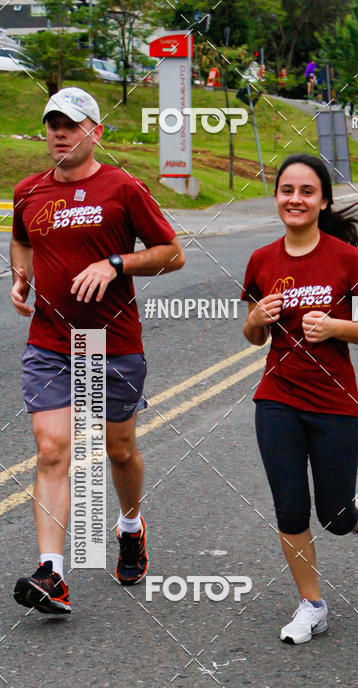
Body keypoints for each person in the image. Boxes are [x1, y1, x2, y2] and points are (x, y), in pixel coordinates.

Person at [11, 87, 185, 615]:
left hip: (112, 343)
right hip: (50, 343)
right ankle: (52, 573)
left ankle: (130, 525)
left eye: (71, 124)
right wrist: (22, 277)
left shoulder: (123, 188)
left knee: (120, 451)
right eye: (52, 125)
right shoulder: (29, 192)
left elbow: (171, 254)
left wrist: (115, 264)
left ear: (95, 131)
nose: (59, 133)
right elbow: (21, 238)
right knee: (51, 450)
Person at [241, 154, 358, 645]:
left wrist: (334, 327)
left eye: (307, 191)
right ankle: (312, 605)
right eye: (287, 190)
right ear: (277, 197)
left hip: (334, 401)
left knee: (333, 515)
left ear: (323, 200)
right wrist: (259, 317)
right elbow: (251, 336)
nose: (295, 199)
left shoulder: (345, 258)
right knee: (289, 506)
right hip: (277, 397)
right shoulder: (262, 260)